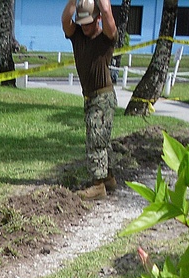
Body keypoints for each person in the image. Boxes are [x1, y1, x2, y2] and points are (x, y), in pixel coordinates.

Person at [62, 0, 118, 200]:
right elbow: (65, 20)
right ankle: (108, 177)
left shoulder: (106, 38)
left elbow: (109, 16)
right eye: (82, 22)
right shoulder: (77, 36)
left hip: (103, 97)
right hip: (90, 97)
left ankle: (98, 186)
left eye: (88, 22)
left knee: (95, 140)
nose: (84, 27)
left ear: (97, 19)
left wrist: (102, 4)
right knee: (100, 138)